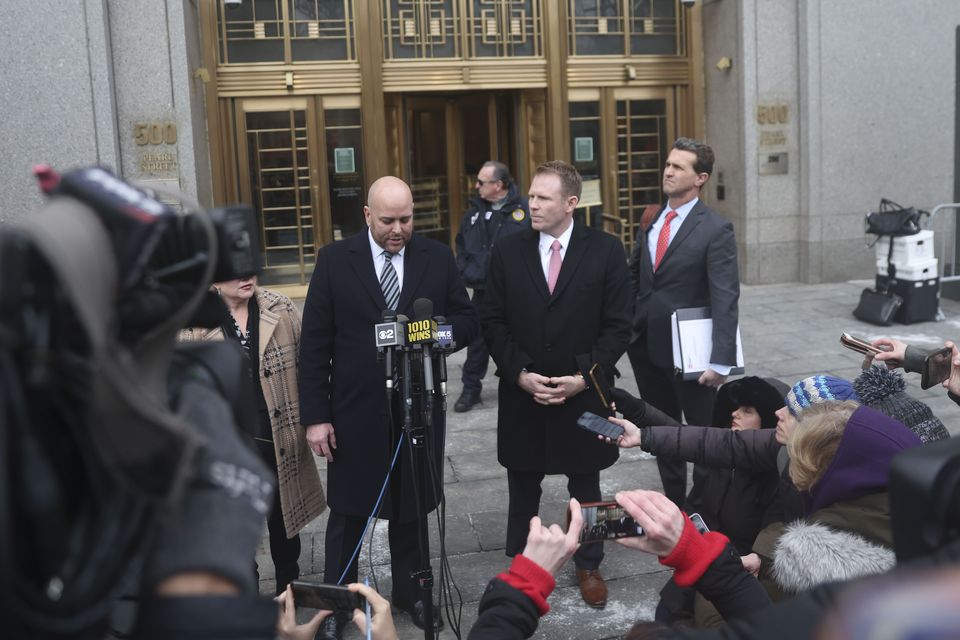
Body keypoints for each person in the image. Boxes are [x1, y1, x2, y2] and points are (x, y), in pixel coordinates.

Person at [298, 176, 478, 639]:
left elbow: (464, 320)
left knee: (413, 507)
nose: (398, 229)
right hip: (355, 412)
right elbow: (315, 347)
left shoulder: (436, 257)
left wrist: (433, 336)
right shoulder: (335, 261)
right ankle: (337, 604)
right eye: (388, 220)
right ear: (366, 215)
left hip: (419, 407)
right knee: (349, 511)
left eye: (406, 219)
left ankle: (413, 592)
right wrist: (316, 417)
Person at [480, 160, 632, 608]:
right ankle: (523, 564)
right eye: (531, 195)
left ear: (571, 203)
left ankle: (590, 562)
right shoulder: (507, 250)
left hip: (582, 391)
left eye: (543, 197)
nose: (532, 204)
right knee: (522, 481)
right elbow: (492, 319)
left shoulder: (605, 250)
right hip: (525, 391)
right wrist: (519, 374)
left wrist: (585, 379)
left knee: (587, 482)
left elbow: (619, 326)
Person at [180, 276, 326, 594]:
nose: (247, 278)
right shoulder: (191, 320)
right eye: (235, 272)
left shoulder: (280, 307)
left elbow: (309, 365)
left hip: (280, 434)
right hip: (227, 444)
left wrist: (318, 417)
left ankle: (289, 584)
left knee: (284, 517)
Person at [626, 137, 740, 506]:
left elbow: (725, 295)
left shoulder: (715, 229)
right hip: (645, 346)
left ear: (700, 178)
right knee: (662, 431)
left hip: (691, 353)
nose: (668, 170)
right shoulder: (653, 219)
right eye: (668, 163)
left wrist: (720, 360)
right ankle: (674, 504)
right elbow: (637, 278)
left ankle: (707, 507)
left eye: (679, 167)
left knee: (706, 435)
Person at [453, 160, 530, 412]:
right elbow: (461, 245)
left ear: (498, 185)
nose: (475, 186)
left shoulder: (524, 211)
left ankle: (525, 382)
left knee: (521, 338)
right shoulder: (473, 213)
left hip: (517, 292)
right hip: (483, 290)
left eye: (481, 182)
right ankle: (470, 389)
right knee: (477, 341)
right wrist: (466, 271)